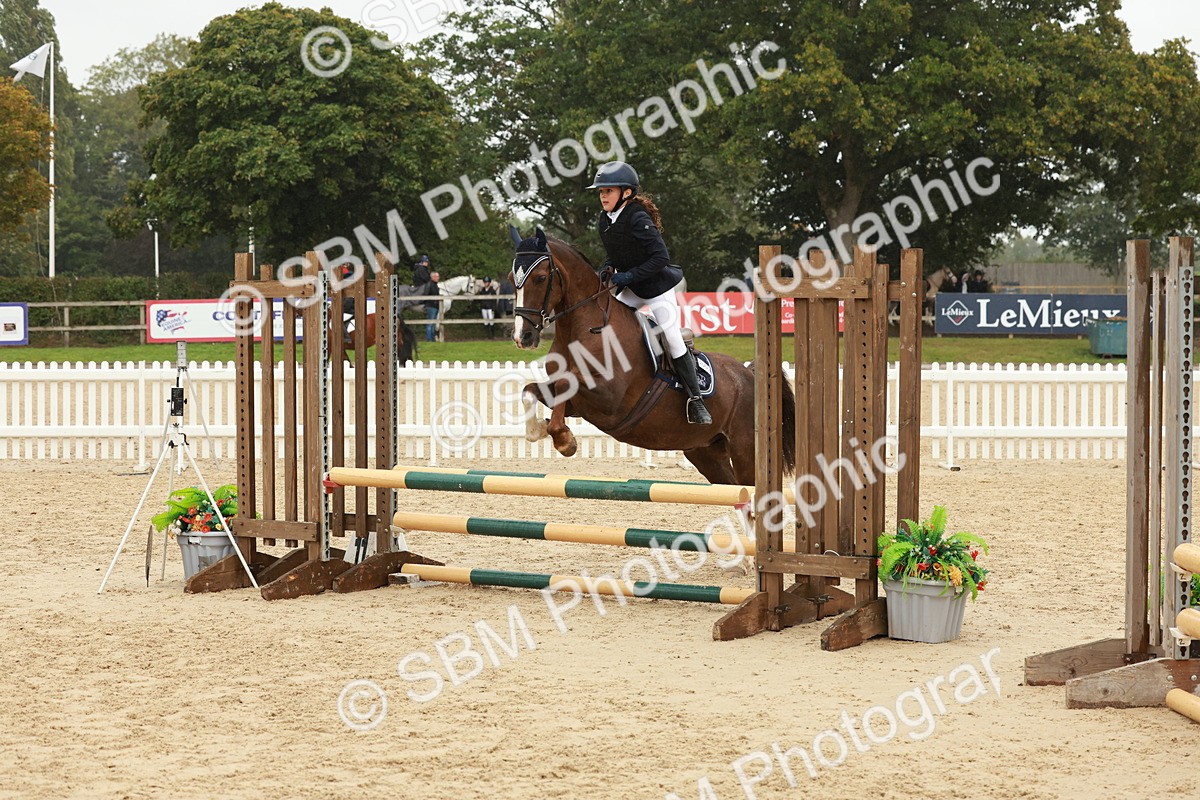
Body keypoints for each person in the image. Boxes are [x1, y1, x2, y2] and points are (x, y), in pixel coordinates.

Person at [587, 160, 711, 425]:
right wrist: (608, 267)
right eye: (601, 191)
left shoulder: (637, 217)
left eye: (608, 191)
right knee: (607, 324)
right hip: (632, 289)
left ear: (626, 193)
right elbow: (615, 253)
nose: (603, 196)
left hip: (656, 288)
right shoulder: (605, 219)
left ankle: (696, 400)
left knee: (672, 337)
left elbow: (660, 257)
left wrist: (630, 275)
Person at [421, 271, 441, 342]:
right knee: (430, 323)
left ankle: (432, 339)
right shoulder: (429, 285)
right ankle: (429, 339)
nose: (438, 278)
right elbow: (426, 295)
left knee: (433, 323)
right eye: (437, 276)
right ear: (432, 277)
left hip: (435, 306)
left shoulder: (435, 285)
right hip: (431, 306)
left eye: (438, 276)